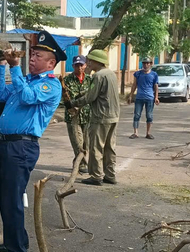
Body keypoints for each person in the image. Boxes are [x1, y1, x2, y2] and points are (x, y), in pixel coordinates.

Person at [0, 31, 65, 252]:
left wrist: (16, 68)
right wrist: (2, 66)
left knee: (12, 198)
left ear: (51, 63)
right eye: (31, 54)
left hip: (21, 147)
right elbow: (0, 94)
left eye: (38, 55)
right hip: (6, 144)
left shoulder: (49, 84)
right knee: (3, 195)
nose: (32, 58)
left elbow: (27, 96)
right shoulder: (28, 80)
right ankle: (12, 240)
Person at [69, 49, 120, 186]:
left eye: (90, 61)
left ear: (97, 61)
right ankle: (110, 175)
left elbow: (91, 97)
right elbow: (99, 90)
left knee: (96, 147)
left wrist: (73, 103)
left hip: (101, 117)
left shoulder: (98, 76)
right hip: (113, 116)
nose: (88, 63)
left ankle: (96, 176)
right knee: (110, 147)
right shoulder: (111, 74)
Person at [63, 55, 91, 174]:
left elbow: (92, 95)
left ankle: (79, 161)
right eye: (77, 65)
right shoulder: (67, 80)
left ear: (85, 65)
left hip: (87, 115)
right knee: (77, 142)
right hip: (73, 116)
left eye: (81, 65)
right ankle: (81, 163)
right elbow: (67, 98)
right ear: (73, 66)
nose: (79, 67)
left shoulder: (90, 80)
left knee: (86, 142)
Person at [127, 57, 159, 139]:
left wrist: (156, 97)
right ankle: (135, 133)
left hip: (150, 98)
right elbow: (134, 85)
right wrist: (130, 95)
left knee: (149, 115)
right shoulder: (138, 74)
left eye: (147, 63)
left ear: (150, 64)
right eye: (144, 63)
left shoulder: (154, 75)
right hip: (139, 97)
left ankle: (148, 133)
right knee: (137, 115)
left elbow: (156, 86)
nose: (145, 65)